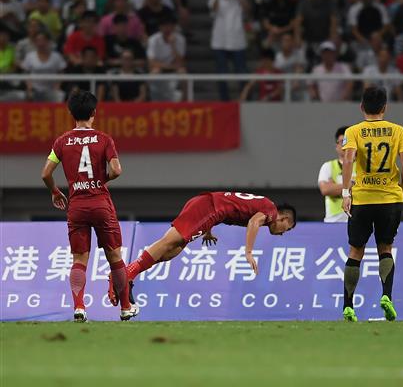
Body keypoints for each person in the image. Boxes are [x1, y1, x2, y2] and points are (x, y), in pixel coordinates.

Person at [40, 90, 138, 322]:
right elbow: (116, 170)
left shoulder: (62, 141)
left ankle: (79, 307)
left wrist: (55, 191)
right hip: (101, 203)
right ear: (94, 112)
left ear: (71, 113)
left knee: (79, 259)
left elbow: (45, 174)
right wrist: (100, 180)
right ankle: (125, 307)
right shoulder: (104, 139)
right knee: (115, 257)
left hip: (77, 205)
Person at [108, 192, 297, 305]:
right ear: (285, 219)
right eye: (285, 229)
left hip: (208, 207)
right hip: (208, 208)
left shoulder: (265, 205)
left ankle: (126, 274)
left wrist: (208, 229)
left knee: (173, 250)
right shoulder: (270, 211)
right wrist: (248, 252)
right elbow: (254, 221)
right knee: (169, 242)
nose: (281, 233)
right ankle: (124, 276)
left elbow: (230, 204)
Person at [340, 86, 403, 322]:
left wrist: (345, 193)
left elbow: (349, 158)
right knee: (385, 248)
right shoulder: (398, 130)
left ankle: (348, 307)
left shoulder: (354, 131)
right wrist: (402, 186)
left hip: (362, 198)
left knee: (355, 251)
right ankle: (386, 296)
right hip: (389, 198)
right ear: (385, 108)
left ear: (361, 107)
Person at [208, 0, 248, 101]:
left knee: (242, 72)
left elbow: (247, 9)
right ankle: (224, 101)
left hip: (237, 41)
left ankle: (245, 98)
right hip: (220, 42)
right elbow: (214, 7)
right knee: (221, 73)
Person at [318, 126, 353, 223]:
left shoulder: (362, 166)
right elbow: (325, 189)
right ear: (336, 145)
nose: (345, 145)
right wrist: (351, 185)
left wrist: (335, 187)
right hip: (333, 221)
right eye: (342, 142)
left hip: (357, 220)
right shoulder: (328, 166)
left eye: (348, 141)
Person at [21, 30, 66, 102]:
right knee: (26, 96)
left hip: (52, 88)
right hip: (34, 89)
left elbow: (62, 72)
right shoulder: (30, 56)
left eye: (43, 40)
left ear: (48, 41)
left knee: (60, 95)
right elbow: (25, 73)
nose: (41, 43)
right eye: (38, 40)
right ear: (35, 42)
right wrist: (29, 87)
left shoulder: (57, 56)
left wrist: (57, 86)